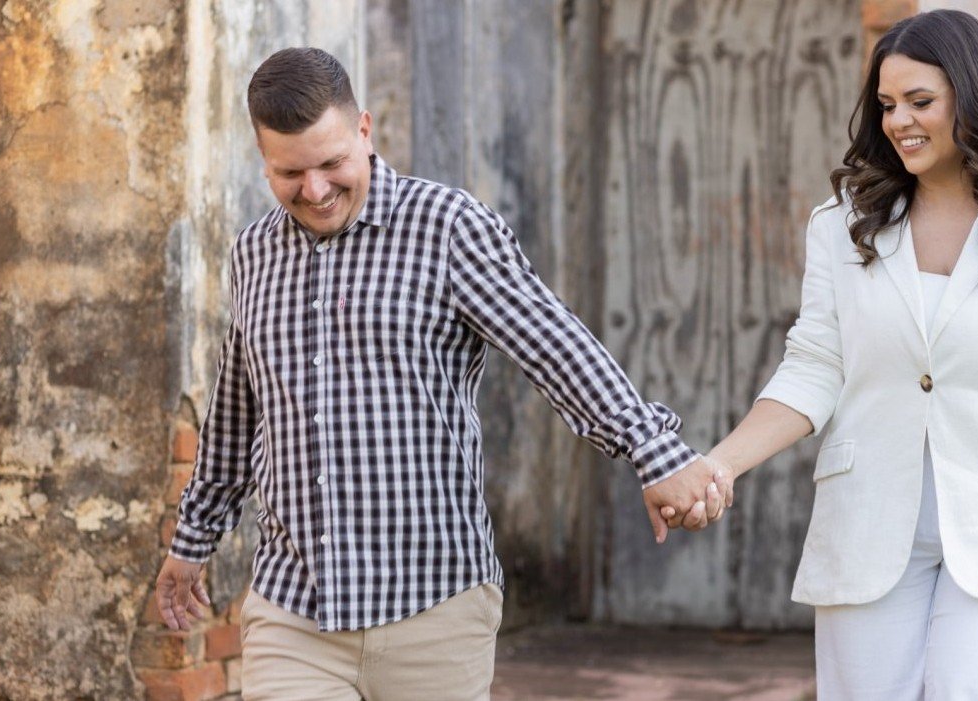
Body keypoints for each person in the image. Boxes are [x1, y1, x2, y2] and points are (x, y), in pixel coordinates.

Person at [152, 47, 729, 700]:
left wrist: (653, 451)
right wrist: (192, 540)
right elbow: (237, 411)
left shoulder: (447, 227)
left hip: (434, 607)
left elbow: (553, 343)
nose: (314, 190)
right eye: (290, 173)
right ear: (263, 158)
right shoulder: (253, 253)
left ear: (364, 130)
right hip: (295, 610)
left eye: (332, 163)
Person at [675, 10, 978, 699]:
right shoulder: (842, 224)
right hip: (867, 527)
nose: (899, 120)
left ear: (972, 97)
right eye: (886, 104)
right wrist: (718, 465)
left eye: (920, 101)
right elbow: (814, 367)